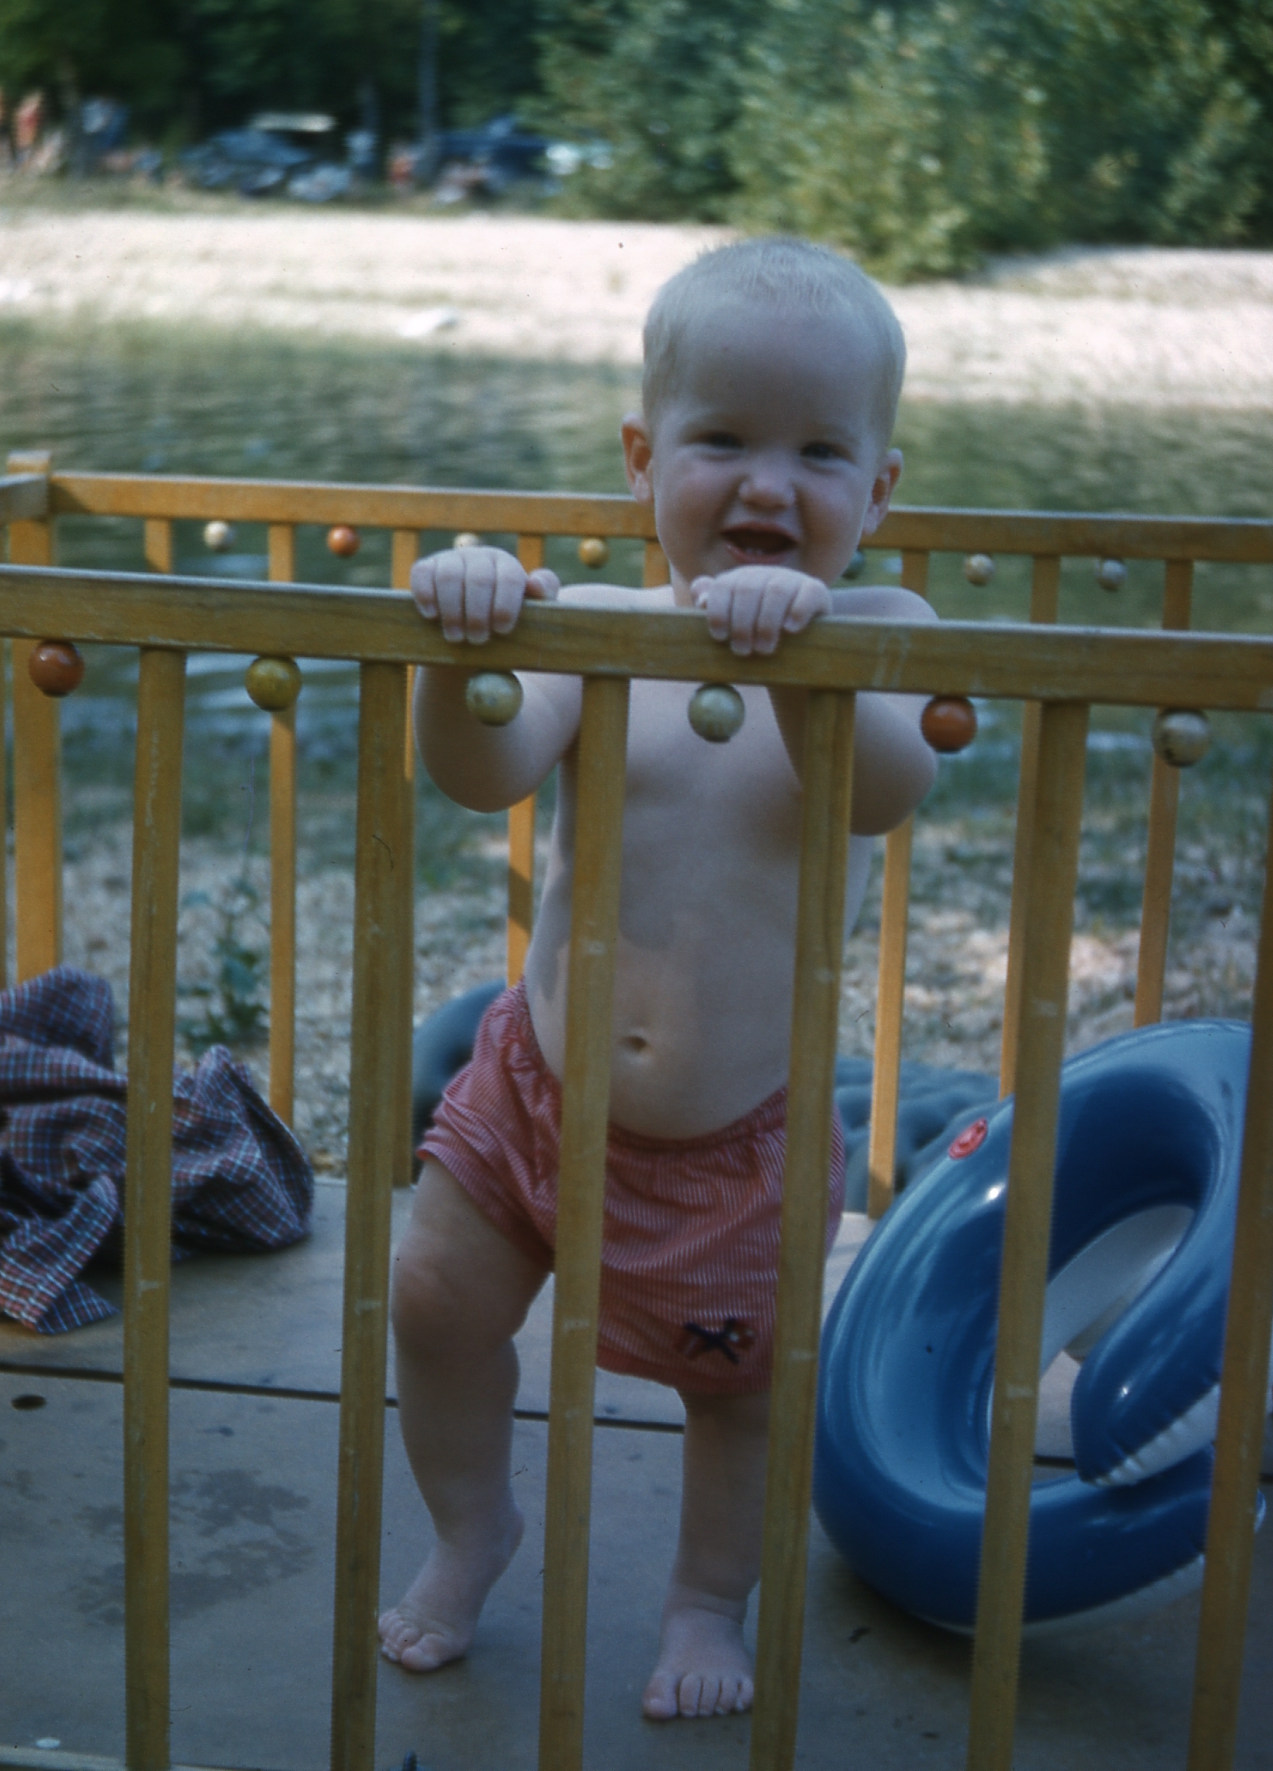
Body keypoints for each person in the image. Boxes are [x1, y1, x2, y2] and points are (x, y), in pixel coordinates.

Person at [379, 236, 938, 1720]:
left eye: (820, 451)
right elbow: (473, 767)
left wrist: (798, 666)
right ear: (645, 461)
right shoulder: (599, 637)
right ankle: (470, 1527)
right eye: (724, 441)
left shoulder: (888, 638)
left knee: (737, 1396)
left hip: (734, 1154)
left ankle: (704, 1598)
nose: (769, 487)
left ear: (879, 493)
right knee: (432, 1293)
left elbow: (879, 794)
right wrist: (469, 643)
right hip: (537, 1094)